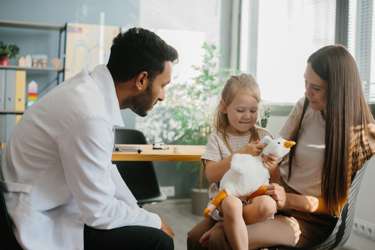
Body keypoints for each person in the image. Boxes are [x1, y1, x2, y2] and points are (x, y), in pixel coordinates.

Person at [0, 27, 178, 250]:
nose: (162, 96)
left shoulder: (91, 92)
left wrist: (142, 214)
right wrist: (154, 221)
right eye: (163, 85)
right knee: (158, 242)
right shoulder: (89, 113)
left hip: (54, 201)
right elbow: (99, 212)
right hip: (36, 215)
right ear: (142, 79)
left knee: (146, 227)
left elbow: (106, 170)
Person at [187, 44, 375, 250]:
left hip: (309, 219)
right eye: (305, 83)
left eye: (316, 88)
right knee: (195, 237)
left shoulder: (362, 134)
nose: (307, 92)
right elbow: (274, 152)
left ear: (339, 90)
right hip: (275, 198)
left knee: (218, 239)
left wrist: (288, 200)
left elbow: (335, 206)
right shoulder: (304, 106)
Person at [188, 74, 279, 250]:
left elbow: (275, 178)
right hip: (225, 201)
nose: (247, 116)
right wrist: (239, 154)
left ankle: (224, 226)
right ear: (224, 107)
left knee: (268, 204)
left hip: (254, 199)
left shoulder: (264, 136)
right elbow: (211, 174)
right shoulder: (217, 138)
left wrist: (272, 165)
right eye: (240, 110)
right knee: (230, 206)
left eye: (253, 111)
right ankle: (225, 223)